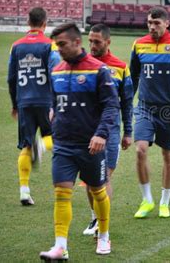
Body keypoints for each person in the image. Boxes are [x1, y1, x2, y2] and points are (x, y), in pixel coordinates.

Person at [40, 23, 119, 260]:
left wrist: (101, 134)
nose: (59, 49)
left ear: (76, 42)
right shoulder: (57, 70)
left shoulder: (99, 70)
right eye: (57, 45)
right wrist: (51, 122)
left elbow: (111, 105)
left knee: (98, 191)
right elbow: (55, 104)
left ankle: (104, 235)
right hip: (63, 145)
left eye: (62, 44)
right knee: (61, 193)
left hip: (91, 146)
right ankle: (60, 246)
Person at [130, 6, 170, 219]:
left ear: (167, 24)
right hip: (145, 107)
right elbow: (134, 77)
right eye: (149, 23)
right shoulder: (139, 45)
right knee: (140, 150)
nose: (152, 27)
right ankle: (147, 200)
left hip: (169, 109)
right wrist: (128, 102)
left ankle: (164, 202)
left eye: (156, 23)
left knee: (168, 154)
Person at [82, 24, 134, 236]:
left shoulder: (120, 67)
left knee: (102, 179)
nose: (92, 46)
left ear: (108, 42)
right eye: (90, 41)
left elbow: (127, 102)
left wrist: (128, 132)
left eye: (97, 42)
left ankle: (103, 225)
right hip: (86, 131)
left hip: (111, 133)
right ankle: (95, 218)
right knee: (89, 180)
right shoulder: (83, 65)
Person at [7, 7, 60, 206]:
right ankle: (41, 146)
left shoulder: (16, 46)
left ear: (28, 22)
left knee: (25, 145)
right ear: (45, 23)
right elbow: (55, 73)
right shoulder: (50, 45)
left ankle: (24, 191)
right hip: (45, 101)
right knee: (57, 137)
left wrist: (15, 104)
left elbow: (11, 78)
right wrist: (55, 102)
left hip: (24, 103)